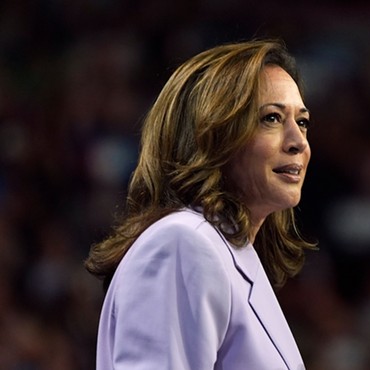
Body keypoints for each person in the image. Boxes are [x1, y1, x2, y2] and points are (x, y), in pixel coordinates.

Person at [84, 39, 316, 370]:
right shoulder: (182, 244)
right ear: (211, 134)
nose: (298, 142)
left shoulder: (229, 255)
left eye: (302, 121)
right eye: (272, 118)